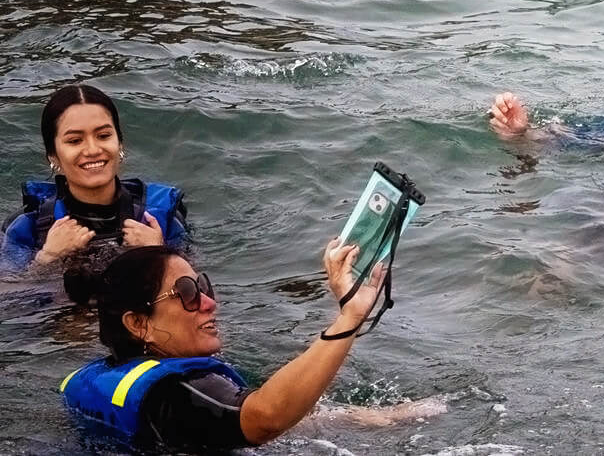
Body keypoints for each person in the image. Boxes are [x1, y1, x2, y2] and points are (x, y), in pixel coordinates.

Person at [60, 241, 437, 450]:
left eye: (204, 286)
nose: (209, 302)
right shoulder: (173, 392)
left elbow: (224, 416)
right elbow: (263, 419)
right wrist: (349, 318)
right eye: (188, 294)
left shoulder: (114, 377)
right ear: (139, 324)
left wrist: (369, 418)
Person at [3, 85, 188, 289]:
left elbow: (197, 291)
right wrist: (47, 259)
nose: (92, 150)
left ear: (120, 144)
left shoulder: (161, 219)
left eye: (104, 136)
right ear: (53, 156)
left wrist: (159, 254)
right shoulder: (27, 228)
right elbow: (9, 299)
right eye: (75, 140)